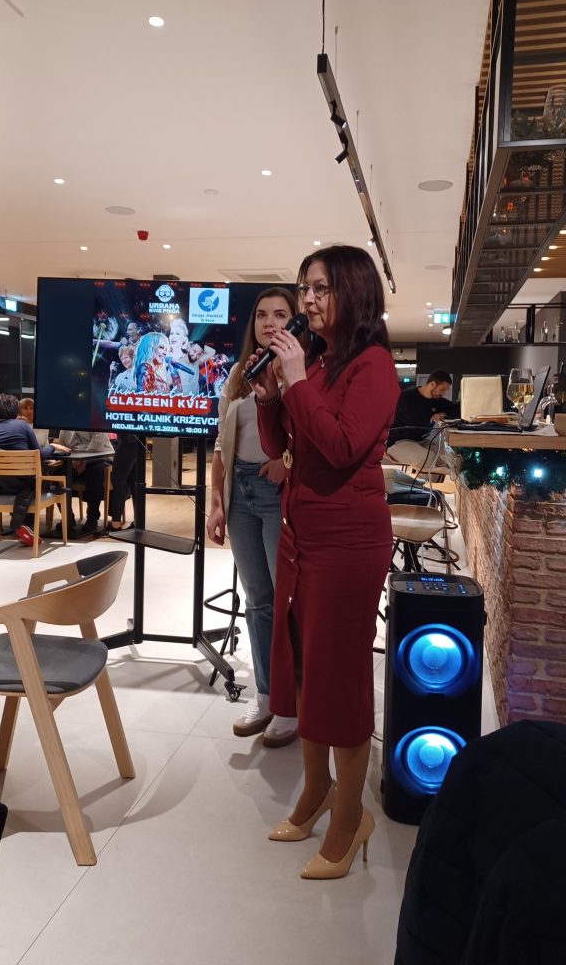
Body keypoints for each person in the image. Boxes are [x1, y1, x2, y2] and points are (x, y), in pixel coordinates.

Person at [249, 245, 399, 879]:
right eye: (304, 288)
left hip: (348, 543)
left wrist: (297, 383)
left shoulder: (373, 366)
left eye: (320, 288)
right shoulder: (316, 361)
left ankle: (350, 815)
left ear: (354, 292)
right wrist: (269, 397)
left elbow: (339, 447)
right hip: (301, 535)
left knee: (339, 678)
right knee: (304, 668)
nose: (306, 301)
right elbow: (280, 448)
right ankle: (314, 792)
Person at [207, 287, 298, 749]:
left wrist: (286, 458)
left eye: (280, 314)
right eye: (262, 315)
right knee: (258, 599)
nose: (269, 322)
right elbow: (221, 443)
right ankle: (265, 695)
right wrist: (216, 501)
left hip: (277, 493)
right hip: (239, 491)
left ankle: (292, 702)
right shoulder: (240, 373)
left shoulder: (299, 371)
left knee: (287, 601)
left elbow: (311, 435)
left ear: (294, 322)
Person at [0, 394, 69, 546]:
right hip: (23, 485)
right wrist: (52, 446)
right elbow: (39, 455)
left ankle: (21, 526)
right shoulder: (23, 426)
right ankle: (25, 525)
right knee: (48, 483)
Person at [387, 369, 460, 471]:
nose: (443, 393)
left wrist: (443, 414)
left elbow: (459, 410)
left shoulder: (437, 401)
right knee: (428, 459)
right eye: (442, 389)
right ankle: (422, 481)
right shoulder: (405, 397)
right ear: (432, 384)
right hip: (398, 443)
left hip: (421, 441)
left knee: (447, 459)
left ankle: (432, 478)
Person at [55, 430, 115, 536]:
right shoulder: (64, 428)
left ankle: (92, 518)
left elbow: (97, 445)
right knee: (57, 473)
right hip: (74, 461)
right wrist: (73, 462)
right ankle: (68, 516)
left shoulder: (95, 423)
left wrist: (83, 461)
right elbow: (63, 449)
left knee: (95, 472)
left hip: (99, 456)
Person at [107, 433, 138, 532]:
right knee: (135, 484)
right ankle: (138, 522)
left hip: (127, 440)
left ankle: (115, 524)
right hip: (137, 440)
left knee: (118, 482)